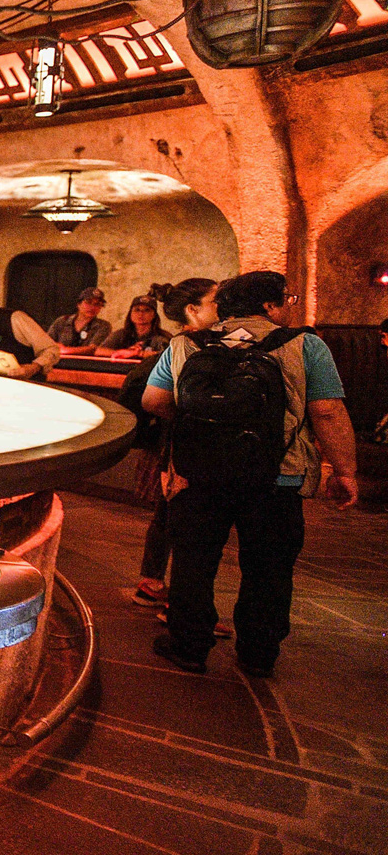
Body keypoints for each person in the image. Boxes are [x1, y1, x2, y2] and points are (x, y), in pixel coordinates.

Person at [141, 270, 360, 677]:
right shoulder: (305, 345)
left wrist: (201, 428)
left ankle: (188, 645)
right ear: (269, 305)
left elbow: (154, 401)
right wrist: (344, 470)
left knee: (193, 562)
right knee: (269, 568)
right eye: (287, 300)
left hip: (200, 474)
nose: (289, 307)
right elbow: (327, 411)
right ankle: (258, 653)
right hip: (276, 476)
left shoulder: (185, 344)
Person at [128, 277, 217, 613]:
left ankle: (153, 585)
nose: (222, 307)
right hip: (185, 448)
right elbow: (153, 400)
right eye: (215, 301)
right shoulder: (189, 346)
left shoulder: (178, 344)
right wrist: (192, 420)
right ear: (192, 310)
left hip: (174, 444)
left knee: (167, 515)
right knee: (186, 523)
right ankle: (184, 610)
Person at [101, 293, 173, 358]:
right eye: (137, 310)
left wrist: (138, 353)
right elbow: (99, 350)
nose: (141, 314)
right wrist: (122, 352)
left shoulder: (162, 337)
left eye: (147, 310)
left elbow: (169, 356)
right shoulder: (121, 334)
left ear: (154, 315)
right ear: (130, 313)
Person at [48, 288, 111, 354]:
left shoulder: (103, 326)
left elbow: (93, 348)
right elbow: (47, 342)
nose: (92, 307)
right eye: (88, 302)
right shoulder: (62, 321)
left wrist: (67, 350)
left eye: (97, 304)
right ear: (78, 304)